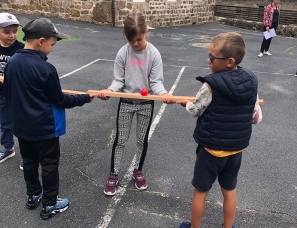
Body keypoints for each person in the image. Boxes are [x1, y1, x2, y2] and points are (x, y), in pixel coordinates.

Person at [3, 17, 95, 220]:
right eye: (52, 44)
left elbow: (9, 93)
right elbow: (60, 99)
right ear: (41, 41)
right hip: (45, 128)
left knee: (29, 161)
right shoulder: (46, 69)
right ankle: (50, 204)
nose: (52, 49)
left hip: (21, 127)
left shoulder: (12, 63)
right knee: (49, 164)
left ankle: (33, 195)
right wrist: (86, 98)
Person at [178, 32, 262, 228]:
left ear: (230, 61)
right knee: (229, 189)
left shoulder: (210, 86)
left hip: (211, 150)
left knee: (201, 190)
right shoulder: (251, 82)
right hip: (235, 151)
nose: (208, 60)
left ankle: (195, 226)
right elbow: (256, 116)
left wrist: (186, 104)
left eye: (213, 57)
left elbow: (195, 110)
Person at [98, 12, 173, 196]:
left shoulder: (153, 54)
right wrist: (110, 91)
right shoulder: (123, 52)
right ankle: (113, 174)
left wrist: (163, 94)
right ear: (126, 35)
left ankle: (137, 170)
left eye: (139, 39)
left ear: (146, 32)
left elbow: (156, 82)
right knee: (121, 140)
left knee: (141, 140)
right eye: (132, 40)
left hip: (146, 104)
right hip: (126, 102)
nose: (136, 44)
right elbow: (118, 80)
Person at [0, 12, 24, 169]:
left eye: (15, 31)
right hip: (2, 94)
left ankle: (27, 154)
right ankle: (8, 148)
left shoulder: (21, 49)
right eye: (6, 32)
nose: (12, 35)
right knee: (4, 123)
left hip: (18, 95)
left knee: (23, 124)